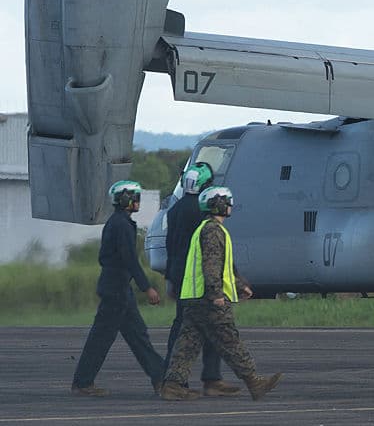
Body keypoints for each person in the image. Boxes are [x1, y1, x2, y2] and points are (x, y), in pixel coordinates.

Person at [161, 186, 282, 401]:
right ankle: (254, 382)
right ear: (218, 205)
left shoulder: (205, 228)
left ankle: (173, 385)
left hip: (195, 298)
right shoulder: (213, 231)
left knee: (188, 343)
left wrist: (239, 286)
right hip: (208, 299)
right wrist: (216, 293)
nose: (230, 205)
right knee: (229, 339)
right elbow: (211, 265)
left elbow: (222, 266)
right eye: (227, 201)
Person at [71, 180, 165, 397]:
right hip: (116, 290)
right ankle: (83, 383)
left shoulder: (119, 222)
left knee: (137, 335)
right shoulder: (121, 225)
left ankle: (160, 377)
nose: (137, 201)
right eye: (134, 197)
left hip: (119, 288)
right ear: (124, 200)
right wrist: (146, 287)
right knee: (103, 338)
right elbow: (129, 259)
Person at [163, 162, 240, 396]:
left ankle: (180, 379)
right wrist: (234, 277)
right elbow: (213, 250)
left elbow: (170, 246)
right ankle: (201, 380)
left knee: (185, 328)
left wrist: (170, 278)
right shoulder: (202, 212)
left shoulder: (174, 210)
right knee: (206, 328)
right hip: (200, 279)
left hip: (180, 278)